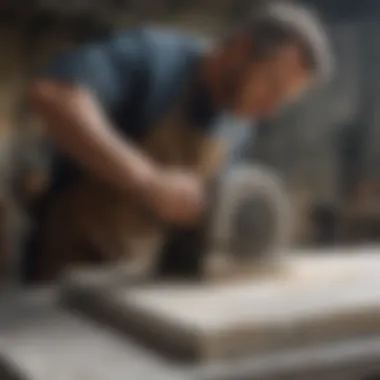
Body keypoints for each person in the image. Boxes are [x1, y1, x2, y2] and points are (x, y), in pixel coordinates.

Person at [23, 1, 333, 282]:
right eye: (271, 86)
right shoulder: (158, 61)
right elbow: (53, 96)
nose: (271, 109)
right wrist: (147, 179)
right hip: (66, 276)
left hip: (135, 282)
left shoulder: (239, 125)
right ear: (242, 48)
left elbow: (201, 220)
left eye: (283, 99)